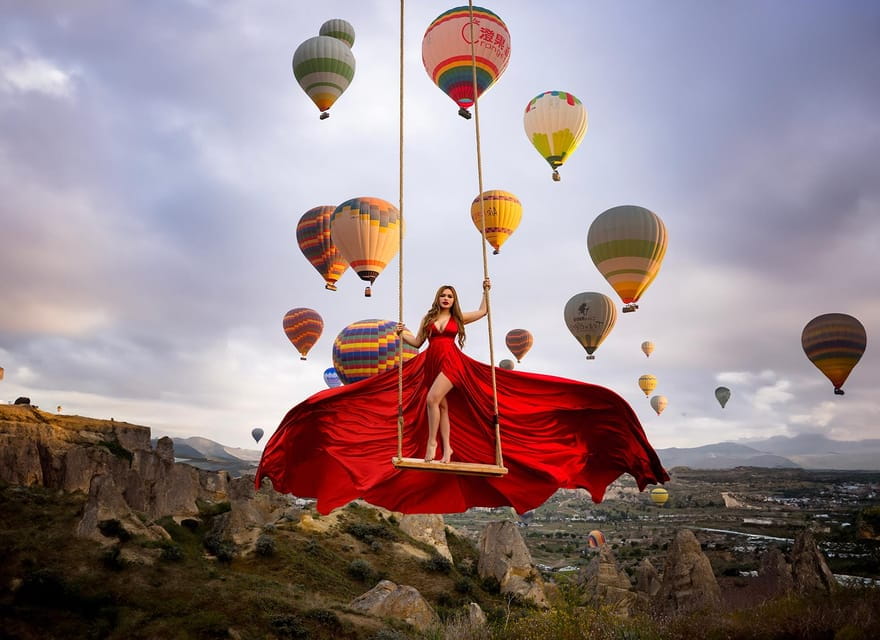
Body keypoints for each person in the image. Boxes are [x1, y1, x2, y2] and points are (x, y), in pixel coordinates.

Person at [396, 279, 490, 463]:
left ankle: (432, 443)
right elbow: (417, 342)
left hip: (451, 361)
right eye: (443, 295)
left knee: (431, 399)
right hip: (432, 363)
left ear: (454, 300)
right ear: (437, 297)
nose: (446, 298)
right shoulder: (428, 319)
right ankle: (448, 449)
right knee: (442, 406)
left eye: (450, 296)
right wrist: (402, 333)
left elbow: (483, 312)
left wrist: (485, 291)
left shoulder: (458, 317)